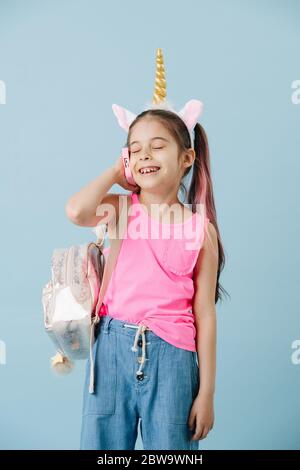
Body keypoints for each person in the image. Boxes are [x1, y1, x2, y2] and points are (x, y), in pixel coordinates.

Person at [65, 49, 227, 450]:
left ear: (186, 158)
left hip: (174, 357)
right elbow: (76, 211)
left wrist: (206, 393)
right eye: (134, 149)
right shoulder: (121, 209)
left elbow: (204, 312)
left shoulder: (199, 228)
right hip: (113, 349)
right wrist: (113, 172)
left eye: (156, 146)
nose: (144, 156)